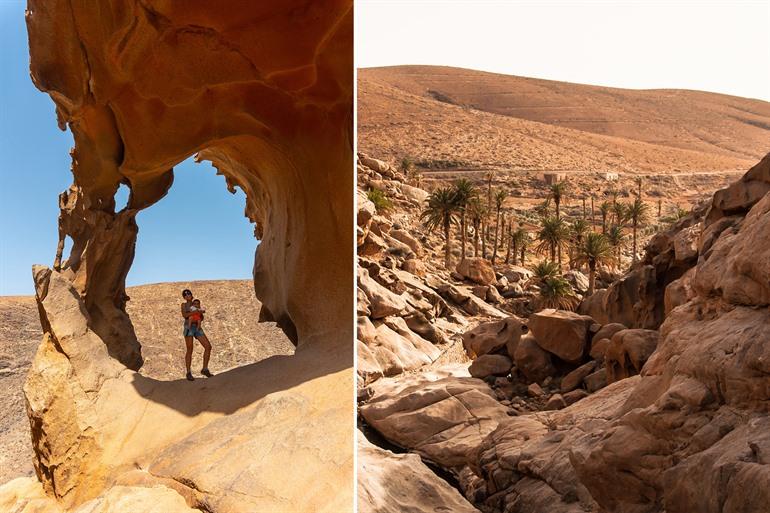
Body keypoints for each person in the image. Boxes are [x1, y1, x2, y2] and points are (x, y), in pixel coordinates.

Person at [181, 289, 213, 381]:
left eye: (189, 293)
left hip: (197, 327)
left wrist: (198, 315)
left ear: (191, 294)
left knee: (208, 346)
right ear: (184, 297)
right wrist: (196, 312)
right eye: (185, 294)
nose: (187, 295)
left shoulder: (196, 303)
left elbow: (201, 316)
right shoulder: (184, 305)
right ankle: (188, 372)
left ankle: (205, 369)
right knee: (190, 349)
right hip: (188, 327)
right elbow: (184, 315)